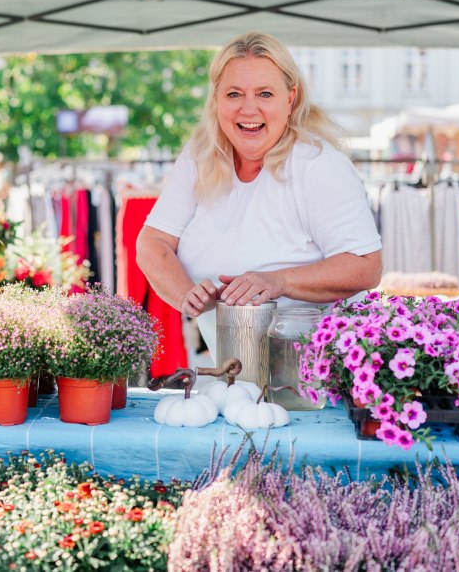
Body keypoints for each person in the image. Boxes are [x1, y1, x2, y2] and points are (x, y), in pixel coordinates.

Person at [135, 32, 383, 358]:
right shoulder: (200, 157)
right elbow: (152, 244)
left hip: (316, 378)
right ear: (216, 99)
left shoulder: (318, 164)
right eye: (234, 94)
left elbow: (366, 266)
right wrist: (189, 295)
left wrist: (279, 281)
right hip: (233, 371)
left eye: (265, 94)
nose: (248, 109)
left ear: (290, 99)